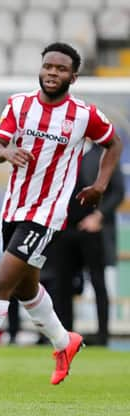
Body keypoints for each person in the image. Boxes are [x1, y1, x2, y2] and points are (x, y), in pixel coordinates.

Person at [0, 42, 123, 385]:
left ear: (73, 76)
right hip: (14, 208)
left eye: (60, 69)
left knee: (0, 283)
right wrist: (8, 151)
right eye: (48, 67)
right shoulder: (19, 104)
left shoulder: (83, 115)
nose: (52, 73)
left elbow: (113, 143)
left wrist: (101, 184)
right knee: (25, 288)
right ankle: (64, 341)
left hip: (48, 214)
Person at [50, 141, 125, 346]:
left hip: (92, 231)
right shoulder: (62, 154)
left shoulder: (104, 155)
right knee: (62, 286)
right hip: (64, 229)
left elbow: (118, 191)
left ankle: (102, 336)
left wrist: (98, 217)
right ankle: (65, 338)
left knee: (98, 282)